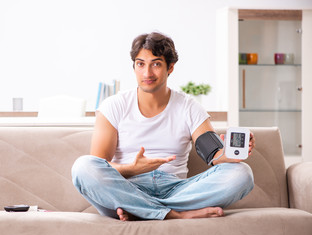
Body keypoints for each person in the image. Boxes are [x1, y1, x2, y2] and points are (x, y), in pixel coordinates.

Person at [72, 32, 255, 221]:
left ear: (171, 67)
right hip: (127, 188)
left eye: (156, 64)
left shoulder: (189, 107)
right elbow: (99, 165)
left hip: (175, 190)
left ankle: (142, 211)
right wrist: (131, 168)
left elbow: (214, 154)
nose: (147, 73)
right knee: (83, 167)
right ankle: (174, 214)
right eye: (141, 64)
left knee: (241, 173)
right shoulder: (113, 106)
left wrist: (229, 154)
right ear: (134, 66)